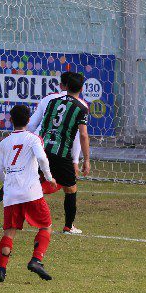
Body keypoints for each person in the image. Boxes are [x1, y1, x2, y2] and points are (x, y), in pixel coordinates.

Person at [0, 71, 78, 222]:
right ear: (77, 87)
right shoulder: (79, 105)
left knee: (18, 176)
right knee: (68, 187)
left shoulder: (48, 99)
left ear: (61, 85)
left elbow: (31, 124)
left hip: (37, 141)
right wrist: (76, 160)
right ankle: (68, 226)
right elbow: (78, 135)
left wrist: (23, 139)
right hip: (57, 149)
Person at [0, 104, 56, 283]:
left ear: (11, 120)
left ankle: (1, 271)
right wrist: (49, 177)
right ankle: (36, 259)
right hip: (32, 192)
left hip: (11, 194)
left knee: (9, 232)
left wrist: (8, 182)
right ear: (28, 120)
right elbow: (41, 158)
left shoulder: (4, 143)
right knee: (46, 226)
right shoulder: (34, 139)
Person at [34, 72, 91, 234]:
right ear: (81, 89)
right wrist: (86, 160)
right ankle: (68, 226)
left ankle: (19, 215)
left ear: (65, 86)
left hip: (43, 149)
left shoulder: (52, 102)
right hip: (62, 153)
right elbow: (83, 135)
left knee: (31, 183)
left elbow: (44, 125)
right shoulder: (81, 108)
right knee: (70, 189)